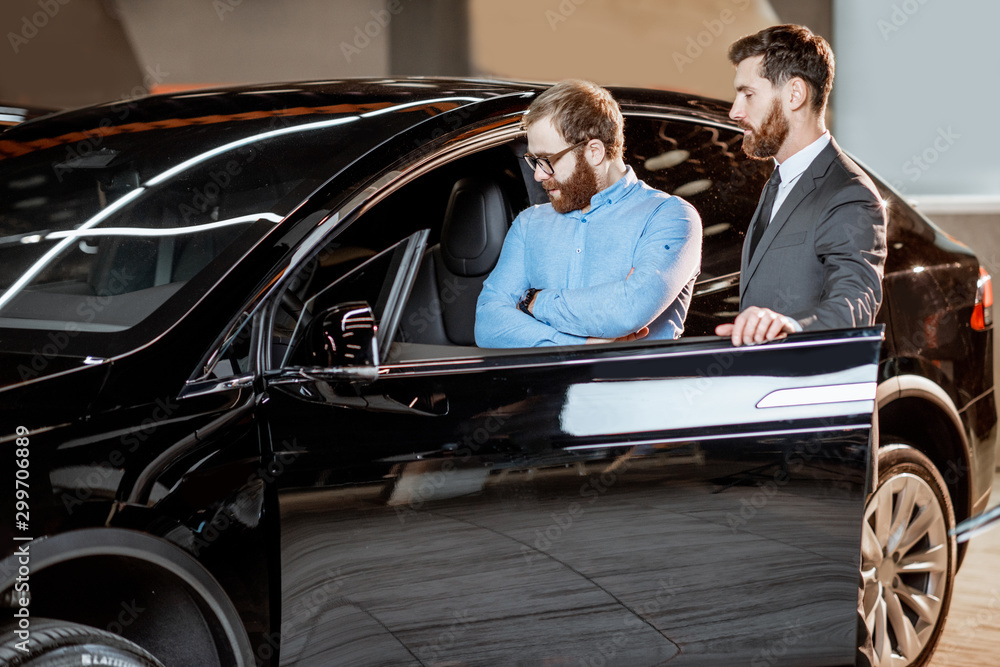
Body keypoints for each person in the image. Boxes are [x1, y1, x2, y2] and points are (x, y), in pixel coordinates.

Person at [475, 79, 701, 348]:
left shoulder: (669, 216)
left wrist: (533, 301)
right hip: (543, 390)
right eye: (533, 160)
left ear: (594, 152)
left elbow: (626, 311)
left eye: (547, 160)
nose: (538, 174)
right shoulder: (529, 224)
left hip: (633, 389)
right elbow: (488, 324)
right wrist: (575, 345)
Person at [716, 24, 887, 347]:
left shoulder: (850, 194)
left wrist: (790, 326)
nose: (735, 111)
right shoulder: (777, 181)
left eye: (748, 94)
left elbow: (855, 305)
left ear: (795, 94)